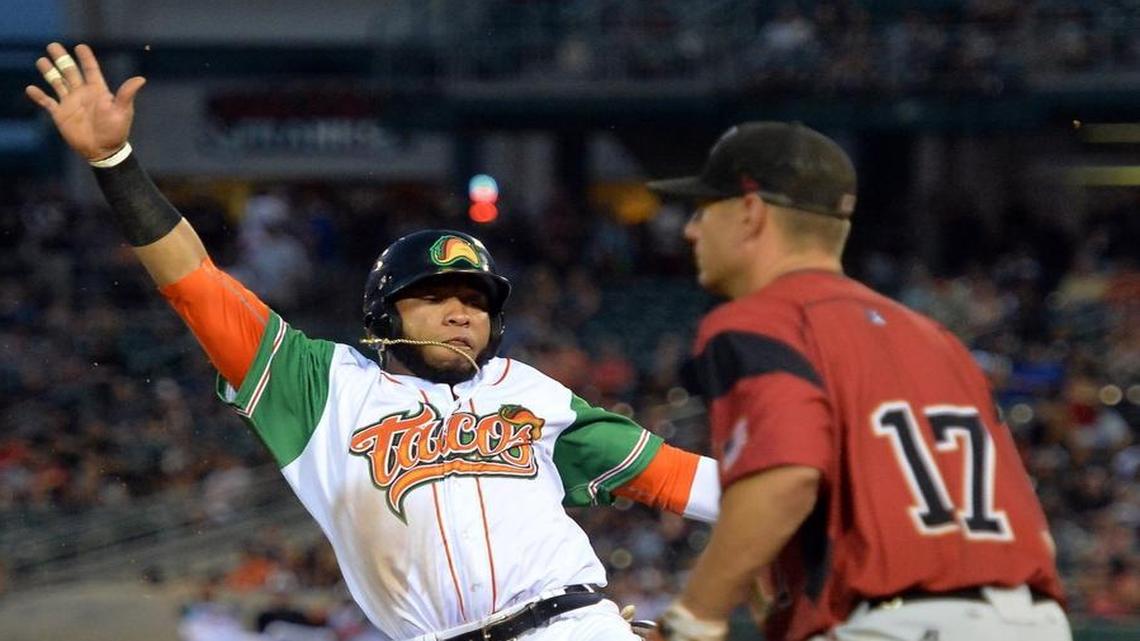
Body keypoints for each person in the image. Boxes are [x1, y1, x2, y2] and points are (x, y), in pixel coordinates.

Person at [26, 43, 719, 641]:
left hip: (570, 623)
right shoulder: (320, 385)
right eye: (435, 296)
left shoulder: (531, 393)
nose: (459, 312)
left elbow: (678, 479)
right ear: (384, 315)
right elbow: (197, 285)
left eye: (474, 299)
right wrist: (116, 161)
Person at [645, 122, 1071, 641]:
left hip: (902, 621)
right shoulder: (936, 338)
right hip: (1033, 619)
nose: (690, 230)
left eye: (704, 209)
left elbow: (786, 477)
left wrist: (692, 619)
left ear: (751, 212)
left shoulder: (763, 319)